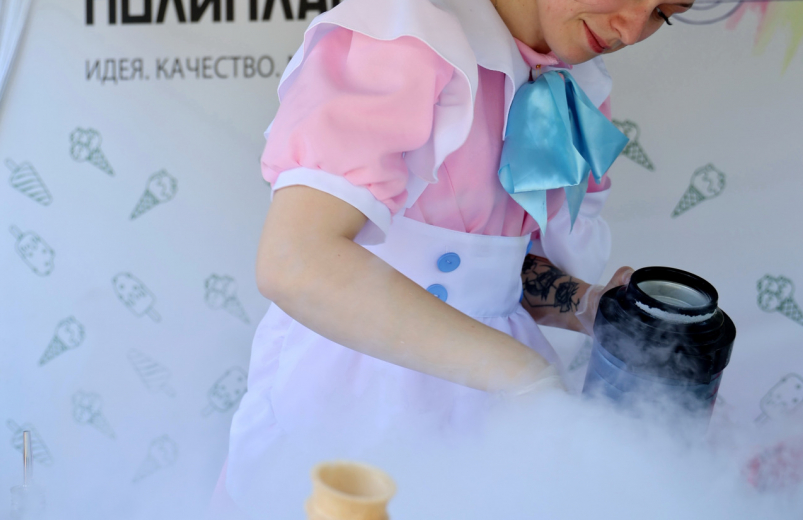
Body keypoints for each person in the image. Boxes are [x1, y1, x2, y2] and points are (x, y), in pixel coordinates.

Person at [210, 0, 692, 514]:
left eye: (664, 12)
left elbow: (489, 271)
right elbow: (296, 261)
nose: (631, 30)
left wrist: (586, 305)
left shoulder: (578, 88)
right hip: (355, 392)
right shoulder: (403, 34)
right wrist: (520, 374)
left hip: (488, 416)